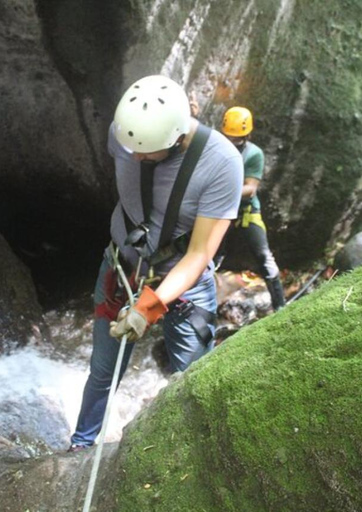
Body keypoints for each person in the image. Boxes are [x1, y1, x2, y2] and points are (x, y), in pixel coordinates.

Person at [68, 75, 243, 452]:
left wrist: (148, 307)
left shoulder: (222, 164)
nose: (134, 156)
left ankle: (197, 455)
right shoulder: (125, 133)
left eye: (146, 152)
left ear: (177, 137)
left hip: (184, 282)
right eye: (130, 147)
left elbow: (199, 255)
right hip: (122, 268)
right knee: (103, 371)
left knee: (193, 378)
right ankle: (81, 445)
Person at [219, 106, 286, 311]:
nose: (232, 142)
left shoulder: (253, 154)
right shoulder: (217, 148)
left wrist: (224, 191)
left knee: (264, 257)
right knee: (210, 256)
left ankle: (281, 306)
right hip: (221, 211)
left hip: (245, 211)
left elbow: (251, 188)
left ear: (247, 135)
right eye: (228, 137)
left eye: (237, 139)